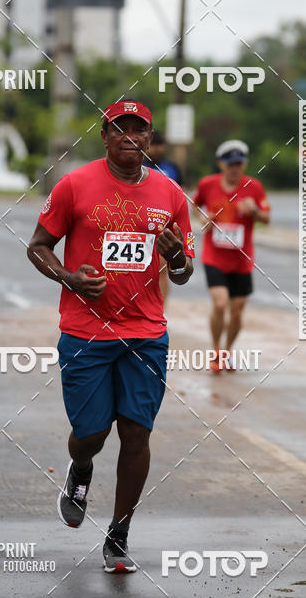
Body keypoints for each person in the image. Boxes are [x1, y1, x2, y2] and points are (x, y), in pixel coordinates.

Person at [27, 101, 195, 573]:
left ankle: (118, 533)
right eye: (119, 128)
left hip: (145, 334)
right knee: (92, 435)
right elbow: (37, 247)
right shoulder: (74, 185)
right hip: (85, 332)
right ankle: (80, 470)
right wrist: (69, 278)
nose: (129, 136)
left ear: (149, 137)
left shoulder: (170, 194)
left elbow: (183, 272)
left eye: (138, 129)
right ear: (104, 135)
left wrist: (177, 257)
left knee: (137, 433)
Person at [192, 140, 270, 374]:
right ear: (220, 164)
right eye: (230, 164)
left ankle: (227, 351)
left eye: (239, 163)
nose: (235, 168)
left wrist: (254, 211)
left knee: (236, 311)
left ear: (244, 164)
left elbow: (266, 218)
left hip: (242, 260)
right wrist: (204, 219)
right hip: (214, 256)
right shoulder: (207, 184)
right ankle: (216, 352)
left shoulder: (254, 187)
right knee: (220, 303)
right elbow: (194, 206)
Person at [143, 131, 183, 304]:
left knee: (161, 270)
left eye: (159, 145)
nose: (156, 149)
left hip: (165, 227)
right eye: (152, 145)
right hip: (140, 225)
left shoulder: (172, 169)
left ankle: (160, 308)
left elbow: (180, 197)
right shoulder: (137, 167)